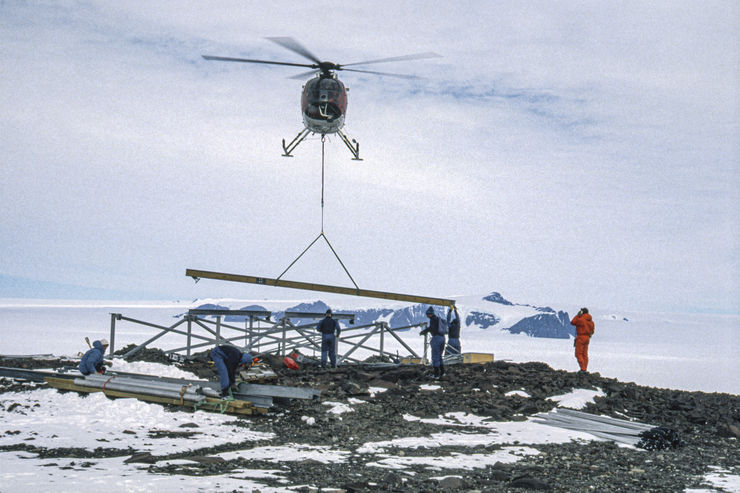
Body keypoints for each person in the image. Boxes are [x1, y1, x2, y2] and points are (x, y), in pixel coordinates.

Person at [420, 306, 446, 379]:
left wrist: (424, 331)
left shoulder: (433, 320)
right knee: (439, 356)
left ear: (430, 314)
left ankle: (436, 374)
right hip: (442, 338)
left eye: (427, 314)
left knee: (435, 356)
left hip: (436, 338)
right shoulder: (438, 319)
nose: (427, 315)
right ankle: (442, 372)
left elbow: (432, 328)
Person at [571, 307, 595, 373]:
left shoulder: (581, 319)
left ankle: (583, 369)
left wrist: (577, 315)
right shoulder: (591, 322)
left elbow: (573, 322)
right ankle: (584, 368)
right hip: (587, 338)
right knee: (585, 354)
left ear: (582, 312)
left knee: (578, 354)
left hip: (581, 337)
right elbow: (592, 331)